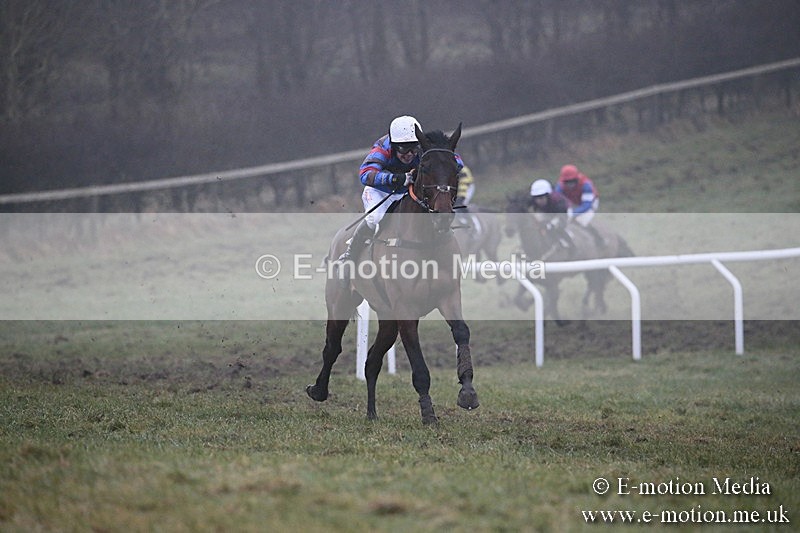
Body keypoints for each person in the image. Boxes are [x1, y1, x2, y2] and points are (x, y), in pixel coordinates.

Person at [336, 115, 464, 269]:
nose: (410, 154)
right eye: (404, 149)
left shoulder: (424, 147)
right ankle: (349, 258)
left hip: (407, 192)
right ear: (394, 145)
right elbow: (365, 174)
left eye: (413, 148)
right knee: (375, 218)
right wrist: (397, 179)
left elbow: (454, 161)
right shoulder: (383, 148)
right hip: (380, 192)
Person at [554, 164, 605, 247]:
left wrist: (572, 214)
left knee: (581, 221)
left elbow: (586, 205)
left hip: (590, 203)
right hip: (573, 203)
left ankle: (599, 240)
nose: (570, 184)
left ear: (576, 178)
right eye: (567, 182)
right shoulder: (560, 186)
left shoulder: (586, 185)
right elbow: (556, 201)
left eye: (572, 181)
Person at [529, 179, 573, 251]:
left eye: (541, 197)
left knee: (556, 227)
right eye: (536, 198)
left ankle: (569, 243)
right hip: (548, 212)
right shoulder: (533, 202)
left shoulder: (558, 201)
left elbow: (561, 216)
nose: (539, 201)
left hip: (564, 212)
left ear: (548, 196)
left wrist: (551, 224)